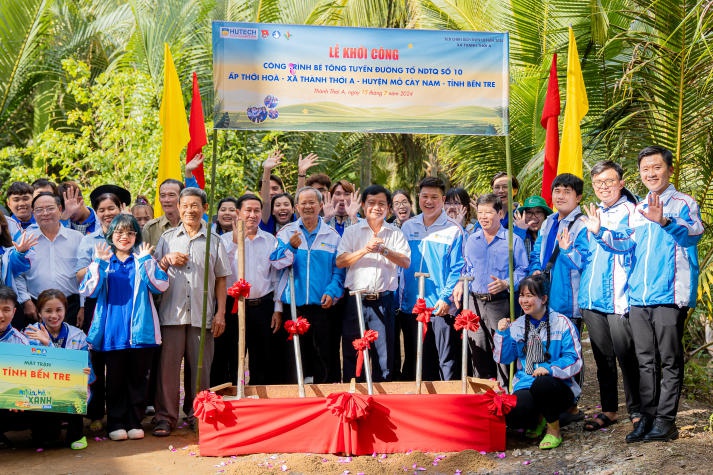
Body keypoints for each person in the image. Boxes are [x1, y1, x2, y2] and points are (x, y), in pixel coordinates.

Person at [590, 146, 703, 442]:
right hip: (638, 296)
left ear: (669, 169)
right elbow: (625, 245)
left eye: (656, 167)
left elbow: (694, 234)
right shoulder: (638, 209)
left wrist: (664, 221)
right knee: (645, 361)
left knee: (668, 359)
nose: (650, 173)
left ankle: (666, 421)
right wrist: (600, 232)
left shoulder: (683, 203)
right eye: (645, 169)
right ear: (639, 174)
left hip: (669, 294)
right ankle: (647, 418)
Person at [557, 161, 641, 432]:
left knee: (626, 356)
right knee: (602, 357)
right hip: (591, 299)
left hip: (619, 296)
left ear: (621, 182)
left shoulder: (632, 211)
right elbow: (584, 259)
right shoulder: (591, 215)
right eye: (598, 183)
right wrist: (568, 251)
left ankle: (637, 410)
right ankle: (609, 410)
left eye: (608, 181)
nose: (603, 187)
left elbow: (630, 244)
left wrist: (601, 232)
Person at [80, 214, 168, 442]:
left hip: (141, 331)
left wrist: (146, 261)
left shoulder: (144, 258)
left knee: (138, 379)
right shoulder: (103, 260)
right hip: (112, 332)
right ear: (111, 235)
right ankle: (116, 422)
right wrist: (98, 262)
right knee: (115, 380)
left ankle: (134, 421)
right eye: (119, 232)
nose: (124, 237)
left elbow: (160, 285)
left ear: (136, 236)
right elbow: (88, 290)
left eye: (130, 233)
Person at [152, 187, 230, 437]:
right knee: (168, 370)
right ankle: (165, 417)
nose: (189, 210)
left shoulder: (214, 240)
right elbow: (154, 272)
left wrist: (220, 313)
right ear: (178, 207)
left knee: (200, 370)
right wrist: (165, 261)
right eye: (185, 205)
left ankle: (199, 414)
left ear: (205, 209)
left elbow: (221, 279)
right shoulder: (167, 239)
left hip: (202, 315)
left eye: (195, 205)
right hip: (171, 314)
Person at [494, 275, 583, 450]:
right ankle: (540, 418)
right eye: (521, 295)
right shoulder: (517, 326)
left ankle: (554, 430)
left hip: (557, 385)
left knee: (542, 384)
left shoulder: (562, 323)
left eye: (529, 296)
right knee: (514, 416)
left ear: (543, 299)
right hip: (527, 384)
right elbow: (504, 358)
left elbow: (574, 359)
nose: (524, 301)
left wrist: (549, 368)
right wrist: (502, 334)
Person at [271, 187, 345, 384]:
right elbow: (276, 264)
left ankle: (326, 403)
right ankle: (296, 403)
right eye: (303, 203)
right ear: (296, 207)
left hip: (322, 308)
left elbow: (339, 271)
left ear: (321, 205)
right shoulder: (286, 233)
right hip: (293, 308)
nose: (308, 207)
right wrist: (290, 248)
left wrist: (332, 291)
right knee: (294, 361)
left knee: (324, 358)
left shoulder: (332, 236)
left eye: (312, 202)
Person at [336, 185, 411, 382]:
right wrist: (365, 250)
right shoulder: (352, 232)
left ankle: (381, 399)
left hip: (383, 301)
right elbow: (340, 261)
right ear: (362, 206)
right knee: (354, 352)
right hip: (355, 302)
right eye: (371, 203)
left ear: (388, 208)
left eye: (381, 204)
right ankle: (353, 398)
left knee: (383, 355)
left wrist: (384, 250)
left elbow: (405, 262)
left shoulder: (395, 233)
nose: (376, 208)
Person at [400, 177, 465, 381]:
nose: (429, 201)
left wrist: (446, 298)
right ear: (418, 198)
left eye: (434, 197)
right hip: (413, 306)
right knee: (416, 359)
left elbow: (457, 268)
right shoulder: (408, 227)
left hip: (440, 307)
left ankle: (448, 404)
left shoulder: (453, 229)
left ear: (443, 199)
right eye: (424, 196)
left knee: (445, 360)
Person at [462, 193, 528, 388]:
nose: (483, 216)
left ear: (500, 213)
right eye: (479, 212)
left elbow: (523, 270)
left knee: (502, 349)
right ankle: (482, 396)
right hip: (474, 302)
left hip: (500, 302)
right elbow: (466, 268)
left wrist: (507, 283)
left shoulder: (512, 240)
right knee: (478, 351)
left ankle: (505, 395)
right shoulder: (471, 240)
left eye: (488, 212)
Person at [75, 186, 127, 432]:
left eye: (112, 208)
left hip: (122, 304)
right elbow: (78, 276)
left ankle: (117, 415)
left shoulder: (130, 237)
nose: (107, 213)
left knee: (118, 362)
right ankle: (95, 413)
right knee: (94, 360)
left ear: (121, 209)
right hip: (96, 305)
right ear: (95, 213)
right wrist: (98, 262)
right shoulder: (88, 240)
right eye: (102, 210)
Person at [217, 194, 284, 386]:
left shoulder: (270, 240)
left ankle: (261, 403)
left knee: (262, 359)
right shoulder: (223, 241)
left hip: (262, 306)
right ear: (238, 213)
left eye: (257, 211)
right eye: (248, 210)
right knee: (230, 356)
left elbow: (276, 277)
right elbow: (220, 273)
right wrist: (237, 242)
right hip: (233, 306)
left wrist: (277, 309)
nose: (253, 215)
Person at [24, 289, 91, 450]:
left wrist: (85, 372)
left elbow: (84, 366)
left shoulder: (78, 335)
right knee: (47, 437)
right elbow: (32, 366)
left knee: (78, 386)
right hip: (40, 387)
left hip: (68, 387)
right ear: (39, 313)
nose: (54, 316)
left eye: (58, 310)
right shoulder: (30, 333)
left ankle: (77, 434)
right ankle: (43, 431)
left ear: (65, 311)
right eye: (48, 311)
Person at [16, 192, 84, 326]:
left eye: (50, 208)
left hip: (70, 306)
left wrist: (83, 306)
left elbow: (84, 275)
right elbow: (18, 273)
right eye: (39, 210)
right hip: (36, 306)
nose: (45, 213)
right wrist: (26, 301)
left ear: (59, 209)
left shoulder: (78, 238)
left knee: (70, 344)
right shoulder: (26, 239)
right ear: (33, 214)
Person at [142, 178, 184, 248]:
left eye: (171, 195)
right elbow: (144, 256)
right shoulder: (151, 228)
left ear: (182, 198)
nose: (166, 200)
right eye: (163, 195)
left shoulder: (197, 225)